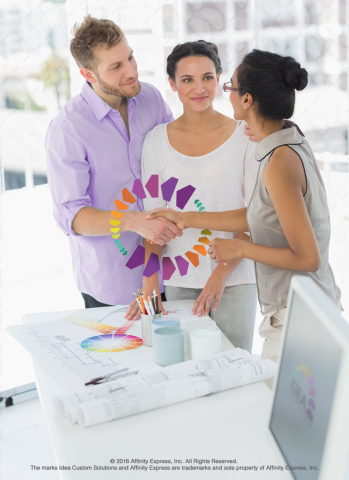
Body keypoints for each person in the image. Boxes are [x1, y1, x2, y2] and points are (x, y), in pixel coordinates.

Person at [149, 49, 341, 363]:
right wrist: (183, 219)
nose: (223, 94)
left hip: (301, 316)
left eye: (230, 87)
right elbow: (255, 214)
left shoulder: (278, 162)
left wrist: (239, 250)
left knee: (268, 403)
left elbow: (307, 258)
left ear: (248, 100)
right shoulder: (289, 137)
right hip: (302, 309)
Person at [126, 41, 259, 352]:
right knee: (184, 371)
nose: (199, 88)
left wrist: (220, 274)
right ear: (172, 84)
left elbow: (256, 215)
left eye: (208, 78)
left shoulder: (246, 135)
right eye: (187, 80)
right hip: (179, 281)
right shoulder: (156, 141)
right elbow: (153, 221)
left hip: (236, 279)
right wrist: (149, 281)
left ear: (220, 78)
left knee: (235, 369)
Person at [45, 15, 182, 309]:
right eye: (116, 67)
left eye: (130, 58)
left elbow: (176, 162)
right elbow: (71, 215)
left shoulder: (151, 99)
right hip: (111, 284)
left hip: (170, 269)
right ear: (89, 74)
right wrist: (134, 222)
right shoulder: (68, 128)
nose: (132, 71)